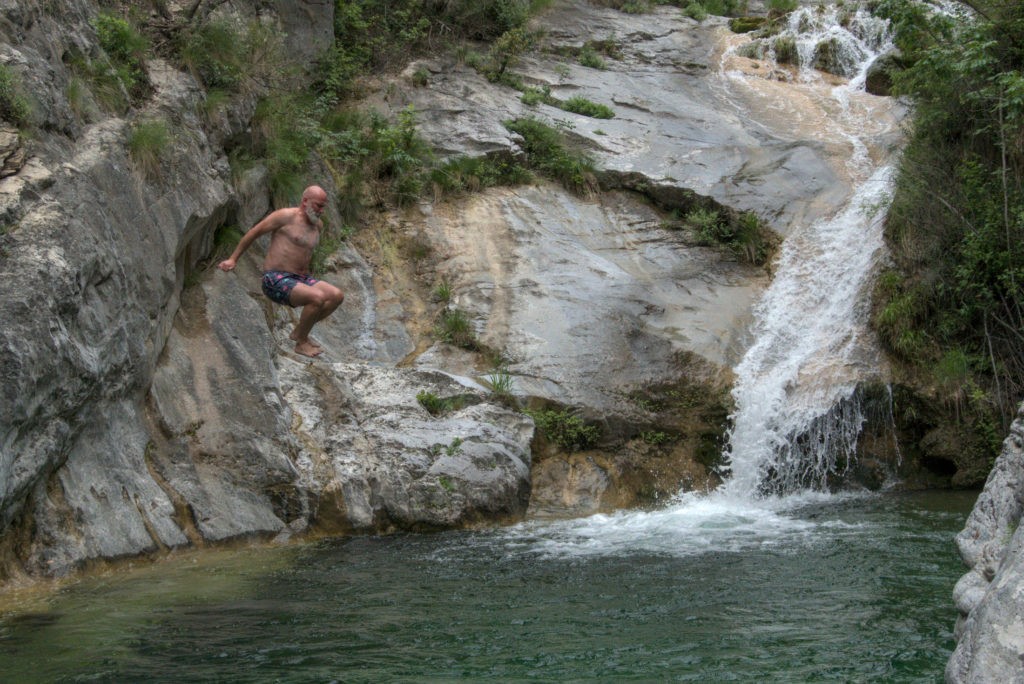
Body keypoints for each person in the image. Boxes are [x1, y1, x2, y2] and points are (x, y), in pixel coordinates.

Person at [218, 185, 344, 358]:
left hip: (301, 278)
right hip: (275, 279)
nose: (322, 211)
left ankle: (299, 331)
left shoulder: (318, 225)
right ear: (305, 201)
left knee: (337, 295)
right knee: (317, 298)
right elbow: (255, 232)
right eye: (318, 206)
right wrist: (233, 259)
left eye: (324, 206)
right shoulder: (286, 216)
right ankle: (301, 342)